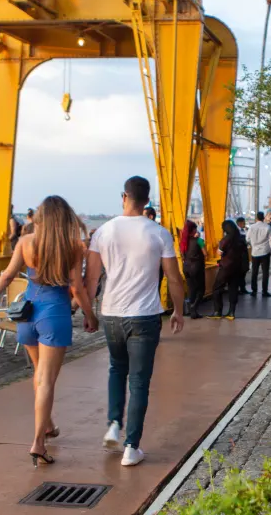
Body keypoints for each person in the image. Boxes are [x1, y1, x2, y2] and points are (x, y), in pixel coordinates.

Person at [0, 196, 99, 468]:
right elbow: (76, 288)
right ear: (65, 219)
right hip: (55, 314)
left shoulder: (25, 243)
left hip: (27, 316)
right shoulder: (74, 247)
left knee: (39, 374)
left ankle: (48, 424)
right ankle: (38, 443)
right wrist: (90, 315)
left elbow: (6, 277)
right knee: (47, 381)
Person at [85, 177, 184, 467]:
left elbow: (91, 278)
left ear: (123, 196)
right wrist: (178, 310)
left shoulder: (103, 231)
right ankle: (131, 447)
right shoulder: (159, 233)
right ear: (147, 200)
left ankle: (114, 424)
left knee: (117, 369)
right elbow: (174, 277)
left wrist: (89, 314)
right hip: (145, 315)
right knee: (139, 381)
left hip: (112, 314)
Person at [208, 220, 248, 320]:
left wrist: (219, 247)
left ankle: (218, 311)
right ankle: (231, 313)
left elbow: (219, 252)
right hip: (237, 267)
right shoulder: (241, 238)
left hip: (226, 267)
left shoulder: (226, 239)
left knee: (217, 288)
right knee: (233, 289)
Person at [180, 219, 206, 319]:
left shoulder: (183, 242)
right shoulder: (199, 241)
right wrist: (200, 239)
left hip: (186, 267)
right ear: (193, 230)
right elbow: (205, 253)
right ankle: (193, 308)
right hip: (196, 268)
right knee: (201, 290)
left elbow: (183, 256)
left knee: (191, 289)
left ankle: (192, 312)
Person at [247, 212, 271, 297]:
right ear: (263, 218)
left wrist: (253, 244)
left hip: (255, 252)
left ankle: (254, 291)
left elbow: (247, 238)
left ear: (256, 218)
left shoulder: (251, 227)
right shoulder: (267, 227)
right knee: (265, 273)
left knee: (254, 272)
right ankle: (264, 291)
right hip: (265, 252)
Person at [236, 217, 251, 295]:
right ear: (239, 223)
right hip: (239, 254)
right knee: (240, 272)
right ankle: (239, 288)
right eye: (244, 223)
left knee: (244, 271)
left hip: (244, 253)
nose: (245, 224)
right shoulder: (236, 231)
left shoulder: (243, 231)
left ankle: (242, 288)